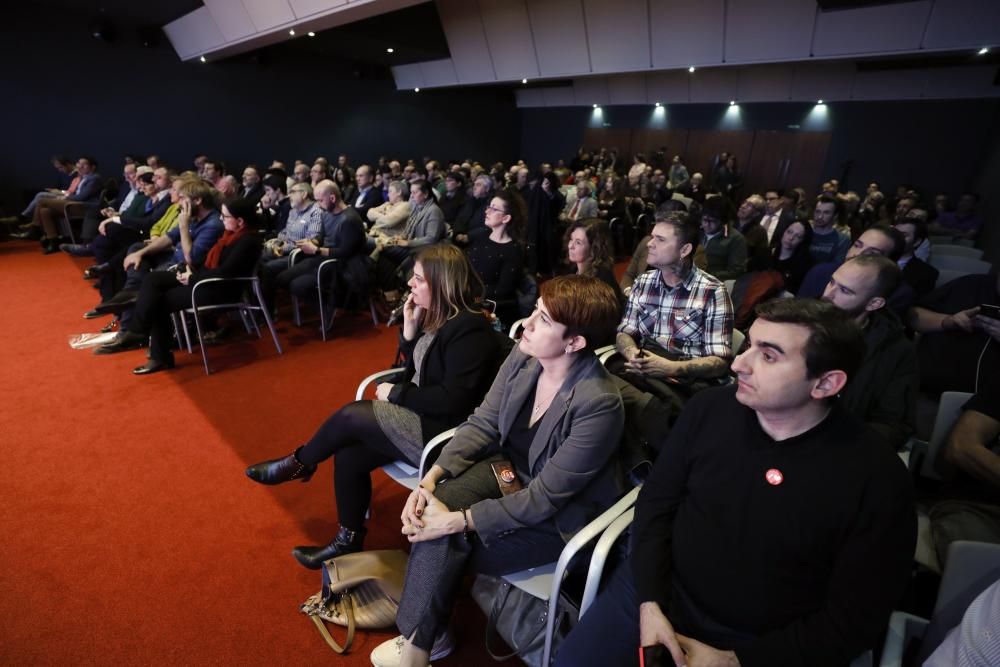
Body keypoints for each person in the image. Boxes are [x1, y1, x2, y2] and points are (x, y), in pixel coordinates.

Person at [556, 298, 917, 667]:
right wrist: (649, 603)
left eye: (769, 355)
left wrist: (735, 660)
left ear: (825, 382)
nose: (738, 364)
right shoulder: (710, 408)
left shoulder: (877, 478)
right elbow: (656, 504)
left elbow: (855, 618)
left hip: (763, 641)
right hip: (655, 592)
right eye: (749, 346)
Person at [368, 274, 625, 667]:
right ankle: (426, 638)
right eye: (535, 310)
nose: (528, 323)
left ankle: (419, 644)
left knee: (443, 541)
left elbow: (544, 499)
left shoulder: (599, 403)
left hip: (556, 517)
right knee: (431, 515)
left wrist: (457, 522)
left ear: (575, 343)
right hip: (508, 471)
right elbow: (483, 422)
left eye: (543, 320)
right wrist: (429, 480)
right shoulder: (525, 356)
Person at [245, 245, 502, 568]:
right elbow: (420, 374)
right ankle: (346, 541)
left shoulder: (469, 328)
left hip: (445, 434)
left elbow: (453, 399)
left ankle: (299, 462)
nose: (410, 283)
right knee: (349, 454)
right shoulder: (438, 318)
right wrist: (409, 335)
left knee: (354, 415)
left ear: (441, 284)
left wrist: (397, 394)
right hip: (424, 418)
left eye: (419, 279)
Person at [94, 197, 263, 374]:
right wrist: (190, 271)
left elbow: (226, 273)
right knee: (153, 279)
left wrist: (192, 278)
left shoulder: (248, 241)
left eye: (225, 216)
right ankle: (138, 331)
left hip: (220, 289)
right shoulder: (229, 236)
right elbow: (205, 262)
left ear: (240, 221)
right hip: (204, 280)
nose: (221, 219)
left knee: (159, 301)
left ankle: (157, 354)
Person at [614, 212, 734, 406]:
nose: (649, 244)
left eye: (660, 240)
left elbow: (720, 362)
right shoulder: (643, 282)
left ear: (684, 250)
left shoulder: (712, 291)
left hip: (685, 382)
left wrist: (670, 367)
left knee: (646, 410)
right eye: (652, 236)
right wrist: (632, 354)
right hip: (644, 370)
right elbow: (625, 332)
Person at [821, 255, 918, 450]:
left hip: (838, 447)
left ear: (874, 304)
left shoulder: (896, 351)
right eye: (832, 282)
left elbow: (893, 425)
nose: (828, 294)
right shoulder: (799, 322)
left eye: (845, 291)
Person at [907, 268, 1000, 394]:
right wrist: (946, 321)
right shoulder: (970, 284)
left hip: (985, 405)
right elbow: (914, 317)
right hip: (922, 388)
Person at [466, 190, 525, 327]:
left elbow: (503, 290)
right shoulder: (481, 236)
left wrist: (469, 290)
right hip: (471, 297)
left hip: (491, 308)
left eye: (494, 209)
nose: (487, 211)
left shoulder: (513, 251)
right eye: (489, 206)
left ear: (505, 218)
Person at [562, 218, 625, 311]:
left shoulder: (602, 281)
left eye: (578, 242)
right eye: (571, 239)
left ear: (594, 249)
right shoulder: (572, 269)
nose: (570, 246)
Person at [693, 196, 748, 281]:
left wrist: (706, 274)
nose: (706, 225)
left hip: (712, 281)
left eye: (712, 221)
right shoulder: (697, 231)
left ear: (723, 222)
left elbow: (736, 271)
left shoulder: (736, 239)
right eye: (705, 219)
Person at [894, 217, 939, 297]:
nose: (895, 238)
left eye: (903, 235)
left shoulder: (926, 273)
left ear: (916, 242)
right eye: (894, 233)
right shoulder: (875, 259)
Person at [769, 219, 814, 295]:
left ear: (803, 240)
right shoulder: (767, 252)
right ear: (784, 231)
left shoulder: (804, 265)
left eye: (798, 236)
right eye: (789, 232)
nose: (790, 238)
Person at [807, 195, 851, 265]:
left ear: (835, 216)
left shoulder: (842, 240)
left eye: (826, 213)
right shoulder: (804, 232)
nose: (820, 216)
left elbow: (835, 267)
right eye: (817, 211)